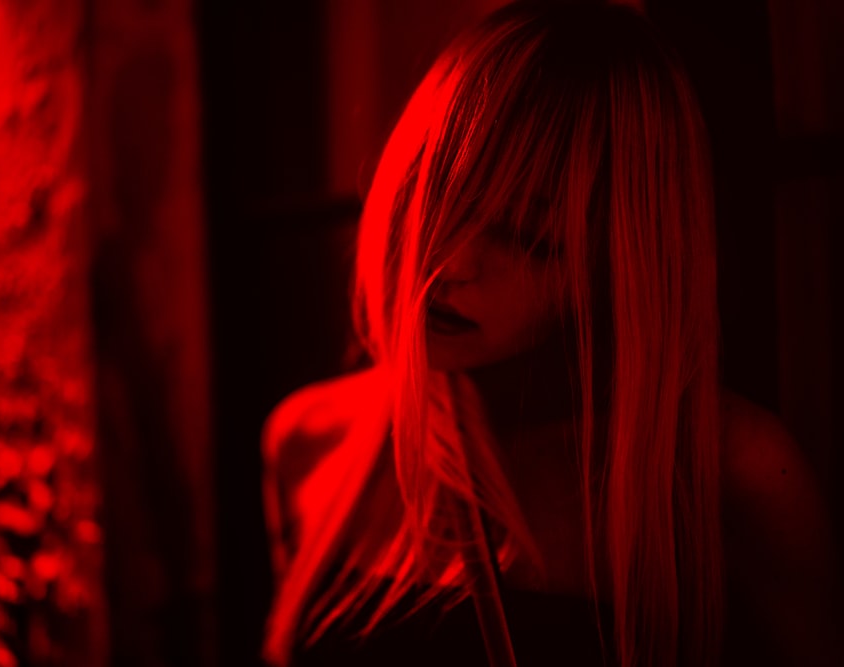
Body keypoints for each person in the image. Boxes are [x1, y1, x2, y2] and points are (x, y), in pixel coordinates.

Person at [259, 2, 843, 666]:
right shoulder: (313, 439)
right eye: (435, 199)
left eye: (526, 238)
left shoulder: (721, 477)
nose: (448, 264)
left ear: (616, 263)